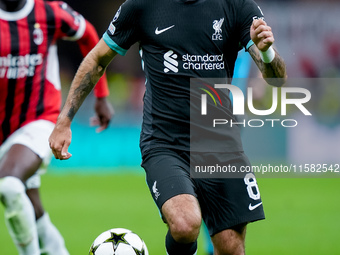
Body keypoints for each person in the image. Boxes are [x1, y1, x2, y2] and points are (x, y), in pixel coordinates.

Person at [49, 0, 287, 254]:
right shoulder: (142, 6)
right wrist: (64, 121)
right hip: (164, 142)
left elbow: (277, 79)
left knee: (231, 248)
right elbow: (98, 59)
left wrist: (266, 52)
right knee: (185, 224)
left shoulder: (236, 6)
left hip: (221, 143)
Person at [0, 0, 113, 255]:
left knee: (8, 183)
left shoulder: (49, 11)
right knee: (31, 206)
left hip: (37, 119)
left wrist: (102, 95)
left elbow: (89, 35)